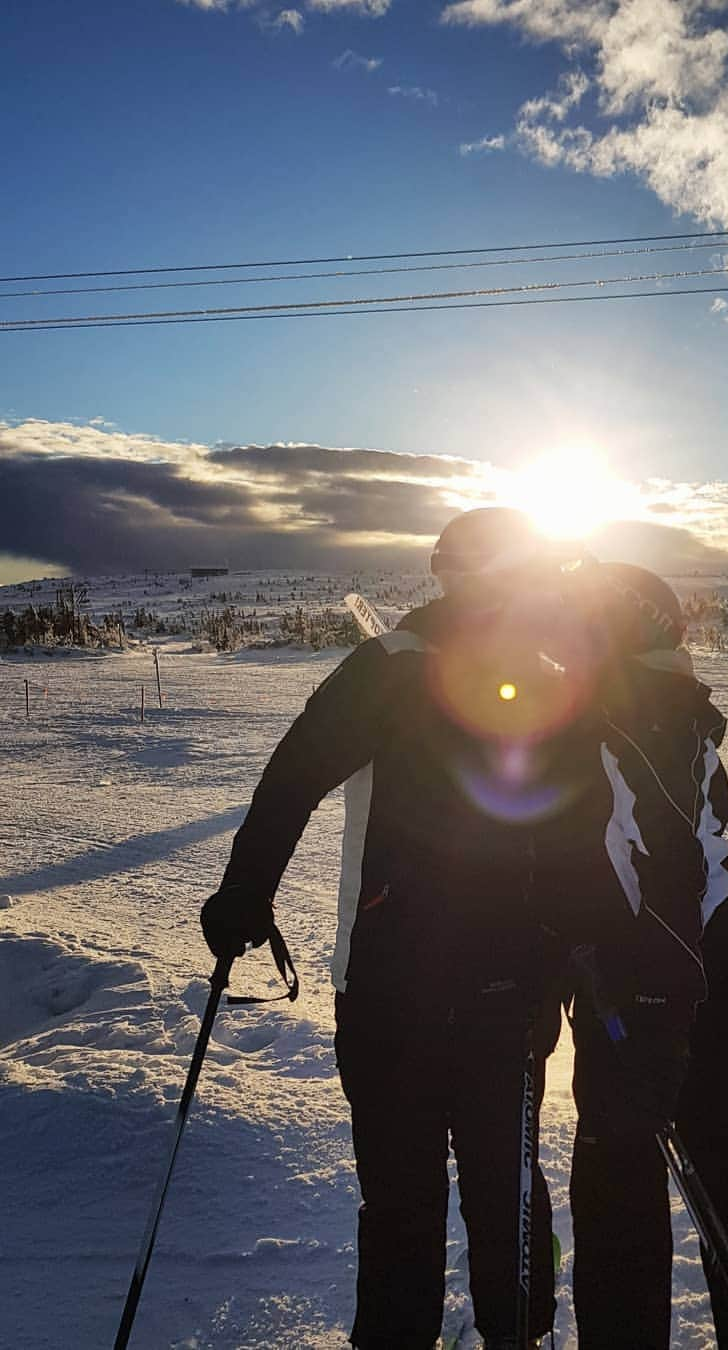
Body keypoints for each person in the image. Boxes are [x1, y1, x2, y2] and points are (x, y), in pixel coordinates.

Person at [200, 508, 572, 1350]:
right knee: (491, 1200)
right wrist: (245, 894)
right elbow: (296, 774)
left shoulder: (414, 667)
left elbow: (293, 774)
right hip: (453, 998)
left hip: (425, 996)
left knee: (447, 1206)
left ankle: (496, 1332)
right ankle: (514, 1334)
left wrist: (246, 896)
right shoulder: (460, 670)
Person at [563, 561, 728, 1349]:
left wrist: (655, 1029)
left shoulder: (641, 718)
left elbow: (671, 882)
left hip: (657, 1010)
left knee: (626, 1230)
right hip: (694, 998)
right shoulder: (662, 711)